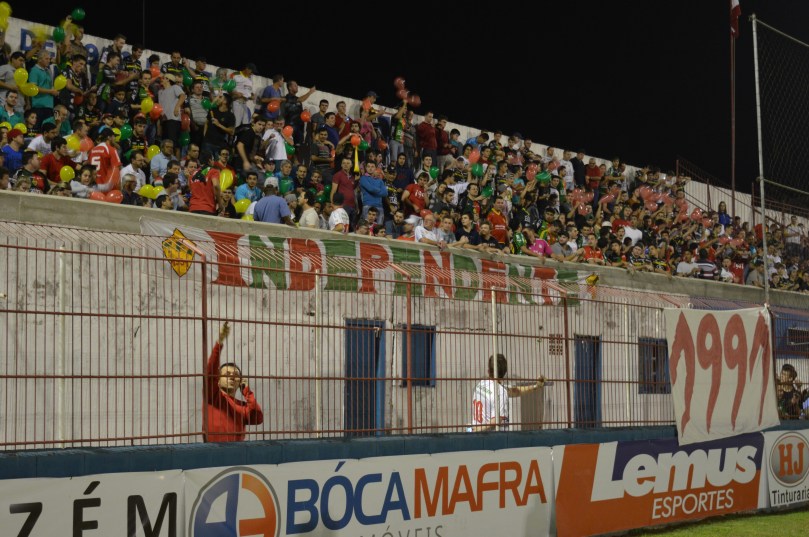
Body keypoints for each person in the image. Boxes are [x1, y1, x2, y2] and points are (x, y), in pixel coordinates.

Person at [205, 322, 264, 442]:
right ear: (218, 380)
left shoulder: (242, 406)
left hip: (238, 455)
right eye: (227, 375)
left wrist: (247, 392)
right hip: (213, 452)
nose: (232, 377)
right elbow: (210, 373)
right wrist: (219, 343)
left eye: (236, 375)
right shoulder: (214, 397)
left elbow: (257, 418)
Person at [469, 354, 546, 432]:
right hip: (490, 438)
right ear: (504, 373)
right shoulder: (500, 392)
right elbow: (496, 420)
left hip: (475, 432)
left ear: (488, 371)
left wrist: (536, 386)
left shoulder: (481, 384)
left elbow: (515, 391)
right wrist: (479, 430)